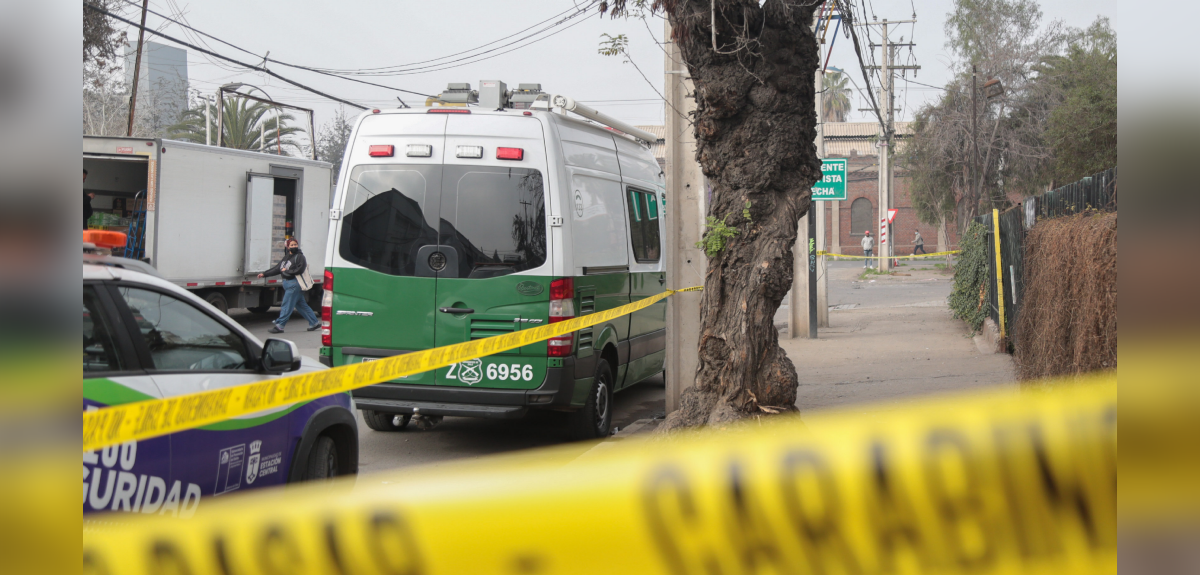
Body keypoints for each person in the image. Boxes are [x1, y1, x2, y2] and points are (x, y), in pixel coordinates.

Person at [258, 238, 319, 333]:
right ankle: (314, 322)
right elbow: (278, 268)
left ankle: (280, 325)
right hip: (288, 284)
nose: (294, 246)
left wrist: (287, 271)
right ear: (287, 247)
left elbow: (300, 269)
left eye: (295, 245)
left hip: (294, 284)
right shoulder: (286, 257)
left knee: (287, 305)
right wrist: (264, 274)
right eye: (292, 245)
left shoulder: (300, 257)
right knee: (301, 305)